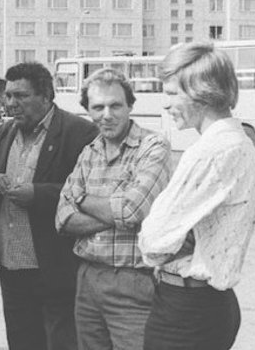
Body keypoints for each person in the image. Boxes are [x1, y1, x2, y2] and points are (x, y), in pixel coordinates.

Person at [138, 42, 255, 350]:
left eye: (171, 94)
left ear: (201, 92)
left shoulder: (209, 152)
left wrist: (172, 238)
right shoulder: (241, 141)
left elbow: (153, 242)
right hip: (207, 304)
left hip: (186, 310)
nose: (166, 105)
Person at [0, 61, 98, 350]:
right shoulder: (5, 132)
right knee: (21, 341)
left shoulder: (79, 133)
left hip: (56, 267)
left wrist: (37, 195)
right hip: (12, 266)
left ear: (45, 96)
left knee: (62, 342)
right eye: (8, 95)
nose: (11, 103)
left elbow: (89, 191)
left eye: (21, 96)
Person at [54, 69, 172, 350]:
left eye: (115, 105)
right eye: (98, 107)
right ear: (88, 111)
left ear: (130, 106)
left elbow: (131, 211)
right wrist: (112, 211)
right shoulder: (89, 152)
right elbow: (61, 219)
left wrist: (80, 198)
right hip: (87, 278)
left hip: (132, 281)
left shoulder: (152, 147)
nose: (107, 114)